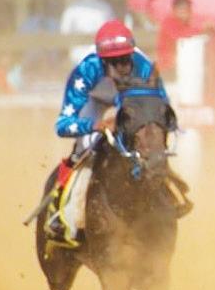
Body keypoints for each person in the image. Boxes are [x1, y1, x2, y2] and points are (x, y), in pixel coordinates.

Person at [45, 20, 160, 245]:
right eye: (113, 61)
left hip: (129, 103)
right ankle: (60, 212)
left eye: (125, 59)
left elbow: (156, 110)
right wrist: (95, 125)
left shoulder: (144, 68)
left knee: (150, 143)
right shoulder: (85, 72)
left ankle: (169, 196)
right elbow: (63, 125)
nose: (121, 67)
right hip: (94, 103)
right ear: (101, 61)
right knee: (87, 147)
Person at [59, 0, 115, 64]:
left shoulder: (73, 7)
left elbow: (64, 31)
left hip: (77, 56)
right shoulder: (105, 7)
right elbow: (112, 31)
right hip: (99, 55)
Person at [154, 0, 203, 78]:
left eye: (188, 10)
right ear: (174, 10)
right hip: (167, 67)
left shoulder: (186, 23)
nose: (185, 13)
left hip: (181, 64)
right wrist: (200, 28)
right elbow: (181, 35)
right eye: (182, 10)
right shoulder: (168, 22)